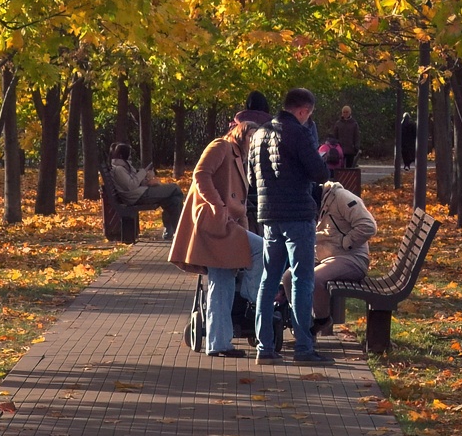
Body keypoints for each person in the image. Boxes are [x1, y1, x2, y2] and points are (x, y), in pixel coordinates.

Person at [250, 88, 333, 365]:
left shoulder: (259, 134)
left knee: (268, 279)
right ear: (303, 110)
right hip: (297, 214)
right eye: (308, 114)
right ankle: (303, 348)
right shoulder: (297, 132)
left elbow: (252, 178)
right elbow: (320, 173)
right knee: (302, 279)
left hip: (269, 215)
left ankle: (265, 347)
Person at [168, 120, 264, 358]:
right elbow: (201, 173)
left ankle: (218, 343)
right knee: (261, 249)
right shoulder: (221, 146)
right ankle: (250, 298)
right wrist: (217, 206)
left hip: (224, 227)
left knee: (221, 284)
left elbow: (239, 205)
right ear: (240, 134)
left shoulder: (239, 157)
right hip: (213, 225)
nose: (254, 143)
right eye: (252, 137)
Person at [283, 180, 377, 333]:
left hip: (351, 258)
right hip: (325, 257)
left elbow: (368, 225)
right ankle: (300, 320)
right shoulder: (316, 207)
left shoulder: (342, 198)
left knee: (315, 278)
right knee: (288, 277)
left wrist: (345, 242)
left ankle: (322, 320)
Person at [108, 143, 183, 240]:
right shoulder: (119, 169)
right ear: (123, 155)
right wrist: (143, 172)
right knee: (175, 188)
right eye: (129, 154)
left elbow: (135, 182)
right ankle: (180, 229)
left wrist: (148, 180)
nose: (130, 157)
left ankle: (172, 231)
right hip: (138, 196)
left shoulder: (125, 167)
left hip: (142, 192)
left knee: (173, 200)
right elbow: (131, 185)